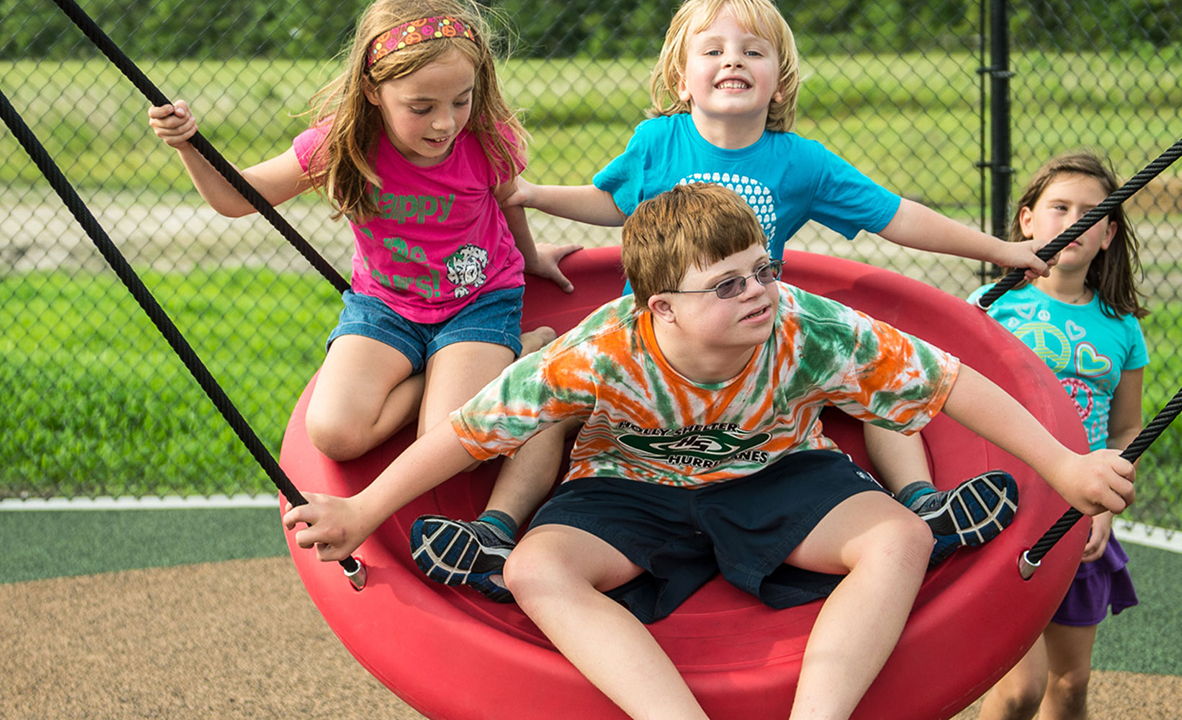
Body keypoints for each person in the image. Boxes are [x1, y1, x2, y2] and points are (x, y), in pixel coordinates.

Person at [284, 182, 1135, 720]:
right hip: (629, 480)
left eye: (761, 270)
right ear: (660, 310)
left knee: (900, 537)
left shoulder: (803, 325)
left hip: (777, 468)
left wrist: (1064, 465)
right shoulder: (600, 349)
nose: (759, 293)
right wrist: (362, 511)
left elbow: (948, 382)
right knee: (536, 568)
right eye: (727, 285)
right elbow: (464, 431)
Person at [409, 0, 1054, 595]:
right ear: (682, 77)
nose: (732, 61)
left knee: (863, 373)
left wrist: (999, 251)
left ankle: (919, 501)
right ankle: (496, 529)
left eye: (752, 51)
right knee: (553, 404)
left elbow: (896, 216)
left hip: (754, 352)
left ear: (780, 79)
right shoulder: (656, 142)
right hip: (652, 355)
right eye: (712, 50)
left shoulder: (800, 162)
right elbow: (612, 201)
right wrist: (537, 195)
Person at [145, 0, 578, 470]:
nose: (445, 123)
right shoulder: (344, 144)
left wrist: (530, 256)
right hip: (386, 306)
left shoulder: (485, 139)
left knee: (455, 448)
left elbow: (508, 201)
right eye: (421, 106)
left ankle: (526, 349)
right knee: (334, 432)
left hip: (478, 300)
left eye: (461, 99)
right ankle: (439, 374)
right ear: (373, 90)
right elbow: (237, 198)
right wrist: (189, 145)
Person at [969, 151, 1148, 720]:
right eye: (1059, 207)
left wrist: (1106, 510)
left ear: (1109, 234)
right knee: (1020, 689)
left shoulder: (1121, 327)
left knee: (1070, 686)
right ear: (1027, 221)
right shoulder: (991, 308)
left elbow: (1125, 428)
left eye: (1091, 213)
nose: (1074, 221)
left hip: (1078, 510)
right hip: (1010, 504)